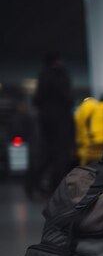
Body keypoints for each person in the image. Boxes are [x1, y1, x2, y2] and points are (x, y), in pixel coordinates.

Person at [28, 52, 74, 196]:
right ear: (58, 60)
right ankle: (56, 188)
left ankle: (32, 184)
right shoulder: (62, 74)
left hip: (45, 120)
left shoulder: (43, 74)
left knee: (45, 153)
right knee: (61, 154)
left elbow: (37, 98)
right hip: (61, 119)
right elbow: (67, 96)